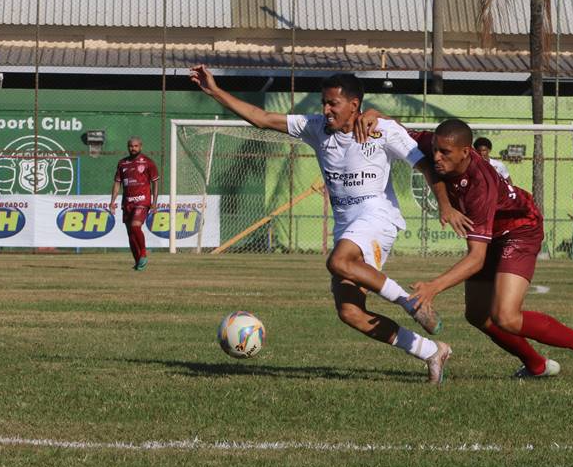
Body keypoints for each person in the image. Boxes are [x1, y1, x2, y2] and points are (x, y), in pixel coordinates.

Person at [189, 64, 467, 383]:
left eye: (332, 103)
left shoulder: (382, 130)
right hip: (348, 226)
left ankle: (410, 302)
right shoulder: (316, 127)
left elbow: (426, 166)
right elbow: (261, 118)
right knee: (350, 313)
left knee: (338, 260)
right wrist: (215, 91)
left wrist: (445, 205)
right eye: (324, 102)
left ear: (354, 105)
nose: (325, 109)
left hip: (378, 218)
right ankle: (431, 351)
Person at [406, 119, 573, 382]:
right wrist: (373, 117)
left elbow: (476, 258)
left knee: (506, 316)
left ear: (465, 152)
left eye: (444, 152)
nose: (436, 156)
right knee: (478, 315)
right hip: (491, 233)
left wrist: (433, 287)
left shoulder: (479, 187)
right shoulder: (433, 144)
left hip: (518, 229)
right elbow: (393, 131)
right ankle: (537, 365)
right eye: (434, 149)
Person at [108, 136, 158, 271]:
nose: (133, 148)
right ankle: (138, 263)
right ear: (127, 147)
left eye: (136, 146)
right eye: (131, 146)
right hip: (127, 202)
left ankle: (143, 253)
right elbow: (117, 183)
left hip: (142, 200)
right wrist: (112, 202)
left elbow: (155, 182)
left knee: (136, 226)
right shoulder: (122, 163)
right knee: (130, 234)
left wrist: (154, 202)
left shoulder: (148, 162)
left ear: (140, 146)